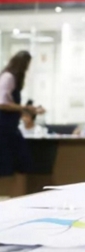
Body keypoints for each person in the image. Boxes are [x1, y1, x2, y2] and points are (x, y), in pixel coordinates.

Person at [0, 51, 41, 195]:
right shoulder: (8, 77)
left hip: (10, 128)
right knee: (10, 165)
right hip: (4, 129)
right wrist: (24, 107)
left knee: (22, 163)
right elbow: (2, 103)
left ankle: (17, 196)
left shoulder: (11, 78)